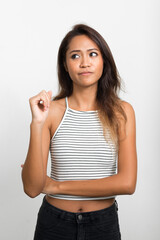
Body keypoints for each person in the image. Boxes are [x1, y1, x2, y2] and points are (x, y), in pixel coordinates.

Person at [21, 24, 137, 240]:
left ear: (104, 60)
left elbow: (127, 183)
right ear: (65, 64)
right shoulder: (50, 112)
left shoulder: (122, 112)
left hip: (103, 225)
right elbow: (32, 188)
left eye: (93, 54)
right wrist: (36, 123)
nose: (85, 63)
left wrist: (55, 185)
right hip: (54, 224)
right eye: (75, 56)